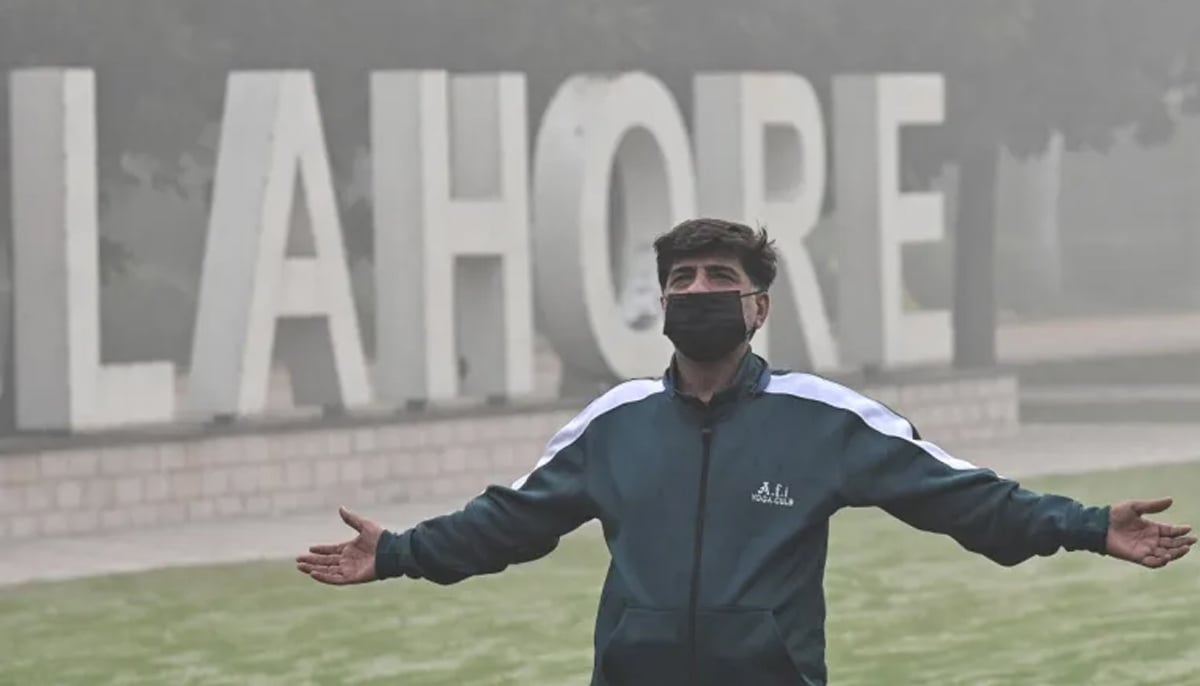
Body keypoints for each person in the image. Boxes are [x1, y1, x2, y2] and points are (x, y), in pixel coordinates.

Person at [296, 218, 1195, 685]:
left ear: (758, 307)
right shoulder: (615, 421)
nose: (698, 292)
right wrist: (400, 553)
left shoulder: (825, 419)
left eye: (721, 280)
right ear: (662, 302)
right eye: (682, 280)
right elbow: (511, 521)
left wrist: (1084, 527)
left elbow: (963, 497)